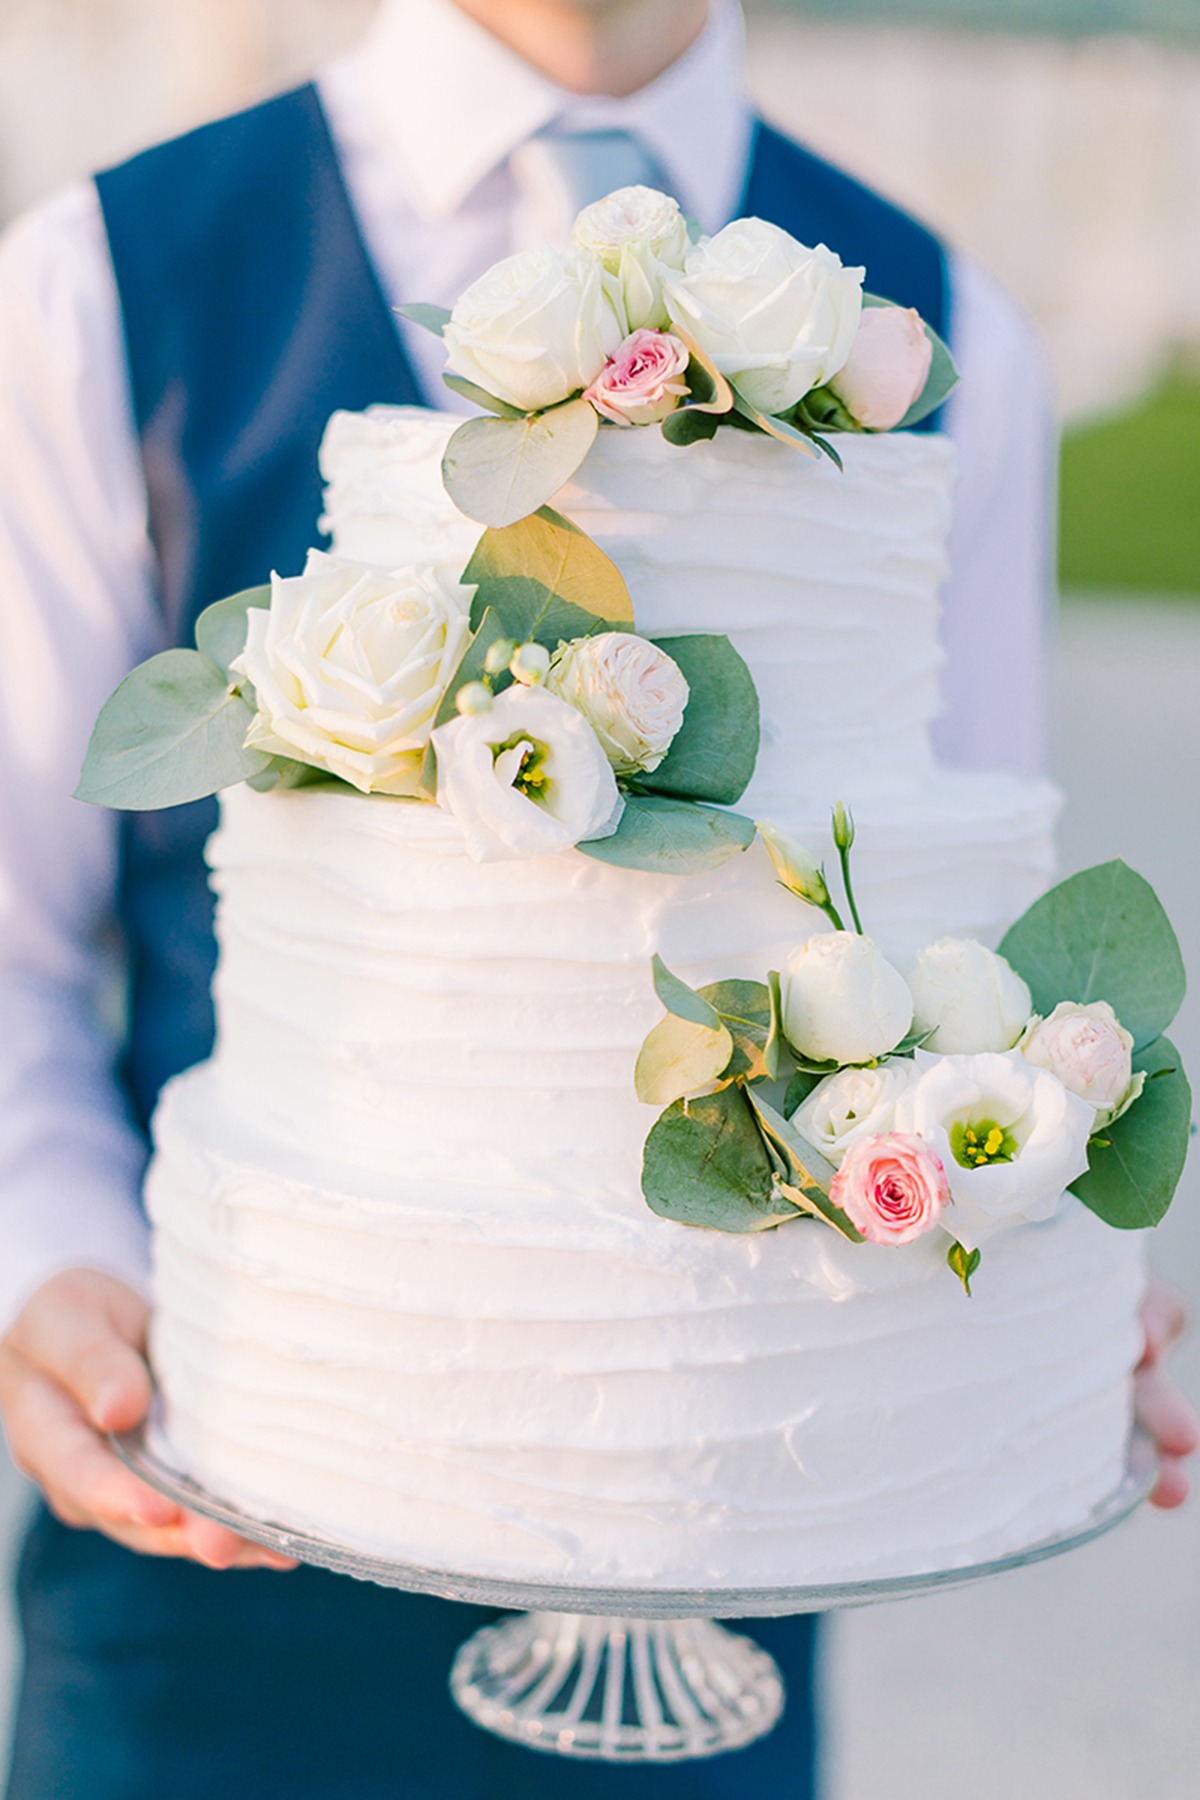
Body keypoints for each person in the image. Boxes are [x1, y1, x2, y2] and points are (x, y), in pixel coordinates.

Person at [0, 1, 1195, 1795]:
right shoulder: (100, 280)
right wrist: (52, 1261)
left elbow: (962, 919)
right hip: (217, 1541)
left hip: (727, 1564)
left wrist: (1028, 1237)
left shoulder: (950, 332)